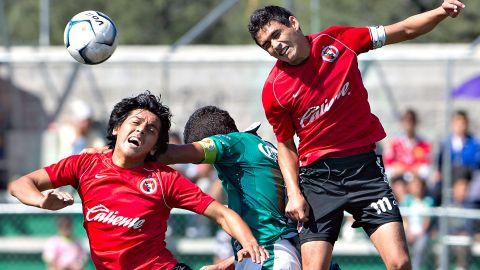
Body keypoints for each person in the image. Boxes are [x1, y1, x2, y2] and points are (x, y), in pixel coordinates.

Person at [248, 1, 466, 269]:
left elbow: (404, 30)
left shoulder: (338, 40)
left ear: (293, 23)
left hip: (365, 171)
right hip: (318, 180)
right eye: (267, 45)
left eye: (276, 34)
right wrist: (294, 193)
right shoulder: (274, 90)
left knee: (400, 263)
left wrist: (439, 12)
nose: (275, 45)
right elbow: (285, 146)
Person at [8, 91, 268, 270]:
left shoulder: (165, 179)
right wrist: (42, 200)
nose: (141, 130)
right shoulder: (84, 164)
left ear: (156, 146)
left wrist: (249, 244)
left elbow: (222, 214)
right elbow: (20, 185)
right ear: (115, 128)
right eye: (135, 122)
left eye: (151, 130)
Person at [157, 106, 301, 270]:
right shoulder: (261, 147)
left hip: (269, 257)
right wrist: (225, 265)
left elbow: (173, 154)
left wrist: (128, 150)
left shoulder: (233, 142)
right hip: (274, 253)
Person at [383, 109, 431, 181]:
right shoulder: (394, 144)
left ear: (415, 122)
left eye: (411, 121)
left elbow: (425, 171)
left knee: (416, 185)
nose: (409, 124)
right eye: (406, 121)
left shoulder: (423, 144)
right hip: (398, 180)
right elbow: (388, 169)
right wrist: (412, 168)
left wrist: (404, 168)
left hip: (416, 181)